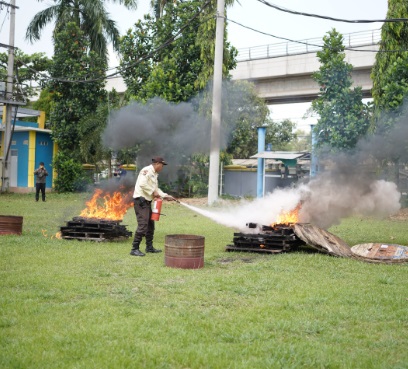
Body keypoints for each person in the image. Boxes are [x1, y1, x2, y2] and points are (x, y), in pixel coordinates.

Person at [130, 156, 176, 256]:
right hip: (140, 201)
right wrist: (153, 192)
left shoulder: (154, 175)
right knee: (143, 225)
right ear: (157, 164)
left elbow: (156, 189)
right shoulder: (146, 170)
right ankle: (134, 249)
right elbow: (142, 184)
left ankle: (149, 247)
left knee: (150, 226)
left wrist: (166, 196)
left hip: (147, 202)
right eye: (162, 165)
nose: (162, 168)